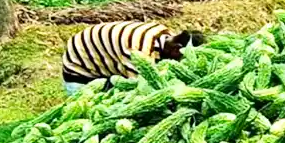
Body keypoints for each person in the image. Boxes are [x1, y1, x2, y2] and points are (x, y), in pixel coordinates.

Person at [62, 21, 205, 96]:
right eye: (183, 57)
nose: (180, 62)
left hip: (104, 59)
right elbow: (138, 88)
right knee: (89, 112)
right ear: (177, 47)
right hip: (81, 70)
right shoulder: (139, 51)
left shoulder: (164, 33)